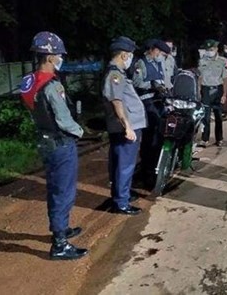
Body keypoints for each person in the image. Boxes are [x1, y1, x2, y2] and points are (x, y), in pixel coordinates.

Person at [20, 31, 88, 260]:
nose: (61, 58)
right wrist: (81, 131)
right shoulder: (51, 86)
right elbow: (63, 119)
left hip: (44, 140)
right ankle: (60, 243)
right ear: (49, 57)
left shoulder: (29, 81)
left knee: (55, 188)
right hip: (60, 142)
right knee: (63, 191)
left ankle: (62, 227)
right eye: (59, 54)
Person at [103, 36, 146, 215]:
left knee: (121, 163)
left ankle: (122, 195)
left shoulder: (118, 73)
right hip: (125, 127)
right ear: (123, 55)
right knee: (125, 164)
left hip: (125, 126)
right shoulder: (115, 75)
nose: (131, 59)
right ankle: (121, 203)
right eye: (130, 55)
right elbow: (116, 101)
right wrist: (127, 126)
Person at [132, 39, 171, 187]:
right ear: (153, 50)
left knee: (160, 135)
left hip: (158, 102)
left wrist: (162, 89)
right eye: (161, 53)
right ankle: (146, 172)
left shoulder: (157, 63)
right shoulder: (141, 63)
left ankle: (156, 167)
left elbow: (161, 80)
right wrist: (153, 85)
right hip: (146, 102)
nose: (161, 56)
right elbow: (137, 83)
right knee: (150, 138)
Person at [198, 39, 227, 147]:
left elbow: (225, 79)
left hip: (218, 90)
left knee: (218, 116)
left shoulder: (223, 61)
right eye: (207, 50)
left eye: (211, 49)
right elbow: (200, 77)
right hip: (206, 90)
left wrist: (224, 94)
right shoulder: (202, 61)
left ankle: (219, 138)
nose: (209, 52)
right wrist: (198, 91)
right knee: (205, 117)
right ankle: (204, 139)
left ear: (216, 49)